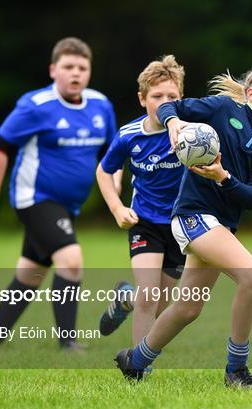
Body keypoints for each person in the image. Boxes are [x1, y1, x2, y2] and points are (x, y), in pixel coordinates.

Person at [113, 63, 252, 388]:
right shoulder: (224, 109)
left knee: (187, 307)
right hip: (192, 216)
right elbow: (170, 105)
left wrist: (222, 177)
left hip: (219, 227)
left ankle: (135, 360)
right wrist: (172, 122)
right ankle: (236, 369)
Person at [0, 37, 117, 350]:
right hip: (34, 198)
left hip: (68, 206)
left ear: (89, 71)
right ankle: (68, 344)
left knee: (31, 272)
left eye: (82, 67)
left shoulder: (100, 105)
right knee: (71, 260)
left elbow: (112, 154)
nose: (75, 73)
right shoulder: (35, 106)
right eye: (68, 67)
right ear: (53, 70)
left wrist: (115, 184)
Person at [96, 55, 186, 346]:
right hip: (144, 221)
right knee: (149, 296)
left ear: (181, 99)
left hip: (180, 224)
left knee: (159, 305)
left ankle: (125, 300)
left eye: (172, 96)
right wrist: (116, 207)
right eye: (157, 96)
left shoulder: (192, 133)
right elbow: (104, 170)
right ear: (141, 98)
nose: (164, 102)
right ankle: (136, 367)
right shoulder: (129, 136)